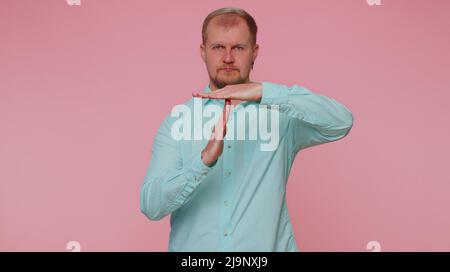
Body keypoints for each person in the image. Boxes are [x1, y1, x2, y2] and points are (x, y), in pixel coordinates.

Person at [140, 7, 354, 252]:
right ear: (203, 52)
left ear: (255, 52)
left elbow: (341, 122)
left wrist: (265, 92)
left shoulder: (280, 116)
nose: (228, 58)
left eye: (239, 48)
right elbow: (151, 205)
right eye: (218, 47)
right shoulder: (178, 121)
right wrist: (201, 163)